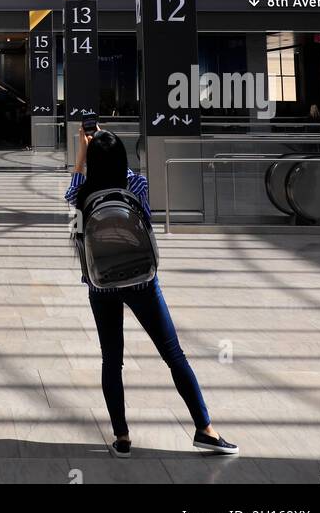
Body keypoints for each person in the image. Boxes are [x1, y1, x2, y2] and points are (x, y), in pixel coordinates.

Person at [66, 124, 238, 458]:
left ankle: (122, 437)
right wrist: (107, 145)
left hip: (100, 285)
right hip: (142, 280)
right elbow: (144, 221)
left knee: (112, 361)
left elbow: (75, 219)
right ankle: (205, 429)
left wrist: (83, 156)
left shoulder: (80, 192)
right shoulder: (137, 183)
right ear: (121, 159)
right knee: (174, 355)